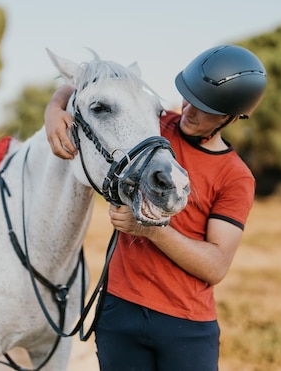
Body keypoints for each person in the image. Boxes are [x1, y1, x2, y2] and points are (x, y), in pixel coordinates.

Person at [44, 44, 267, 371]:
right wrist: (55, 107)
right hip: (119, 311)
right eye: (188, 96)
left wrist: (148, 229)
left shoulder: (236, 177)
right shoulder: (155, 129)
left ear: (232, 117)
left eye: (205, 108)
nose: (189, 110)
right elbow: (96, 89)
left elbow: (216, 266)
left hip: (186, 326)